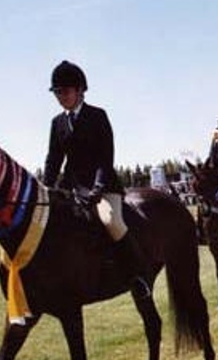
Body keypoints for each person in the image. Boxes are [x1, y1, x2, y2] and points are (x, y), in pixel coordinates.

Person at [43, 60, 151, 299]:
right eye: (57, 93)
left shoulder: (97, 116)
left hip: (102, 186)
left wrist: (98, 187)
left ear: (80, 90)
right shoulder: (57, 123)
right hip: (71, 187)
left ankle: (137, 275)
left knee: (111, 220)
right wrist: (46, 187)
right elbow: (54, 159)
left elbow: (105, 156)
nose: (61, 97)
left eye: (66, 91)